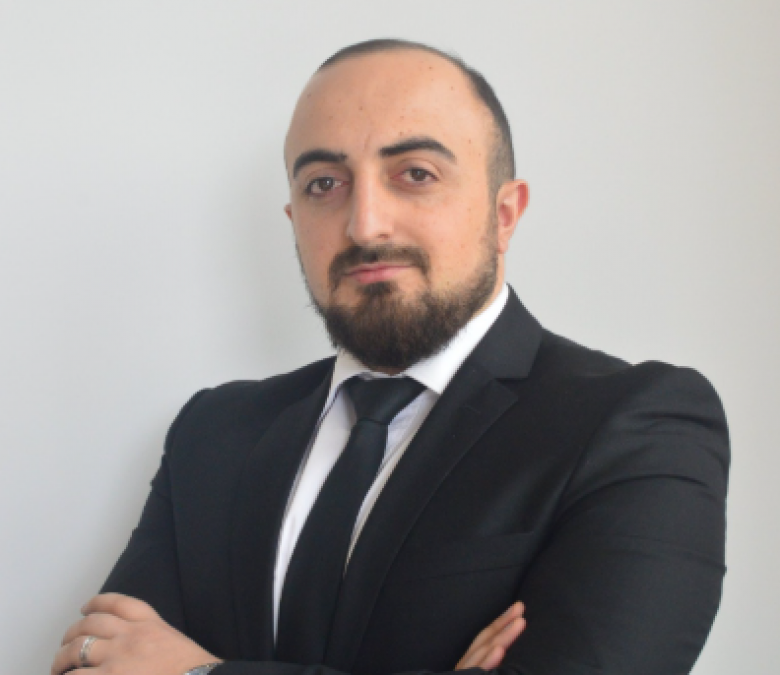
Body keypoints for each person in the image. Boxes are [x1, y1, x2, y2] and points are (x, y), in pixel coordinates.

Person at [51, 39, 729, 675]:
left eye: (415, 173)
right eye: (325, 183)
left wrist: (201, 669)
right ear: (294, 221)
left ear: (504, 215)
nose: (365, 223)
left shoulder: (637, 425)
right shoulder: (212, 433)